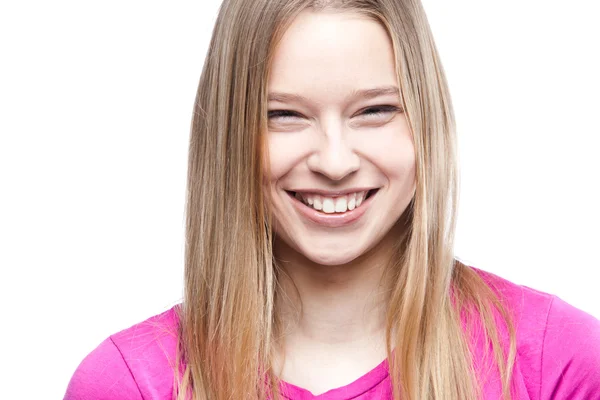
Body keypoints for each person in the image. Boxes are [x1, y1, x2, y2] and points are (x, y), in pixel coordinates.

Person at [63, 0, 600, 399]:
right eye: (284, 115)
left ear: (425, 122)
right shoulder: (129, 383)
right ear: (227, 136)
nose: (335, 161)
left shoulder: (559, 362)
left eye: (375, 111)